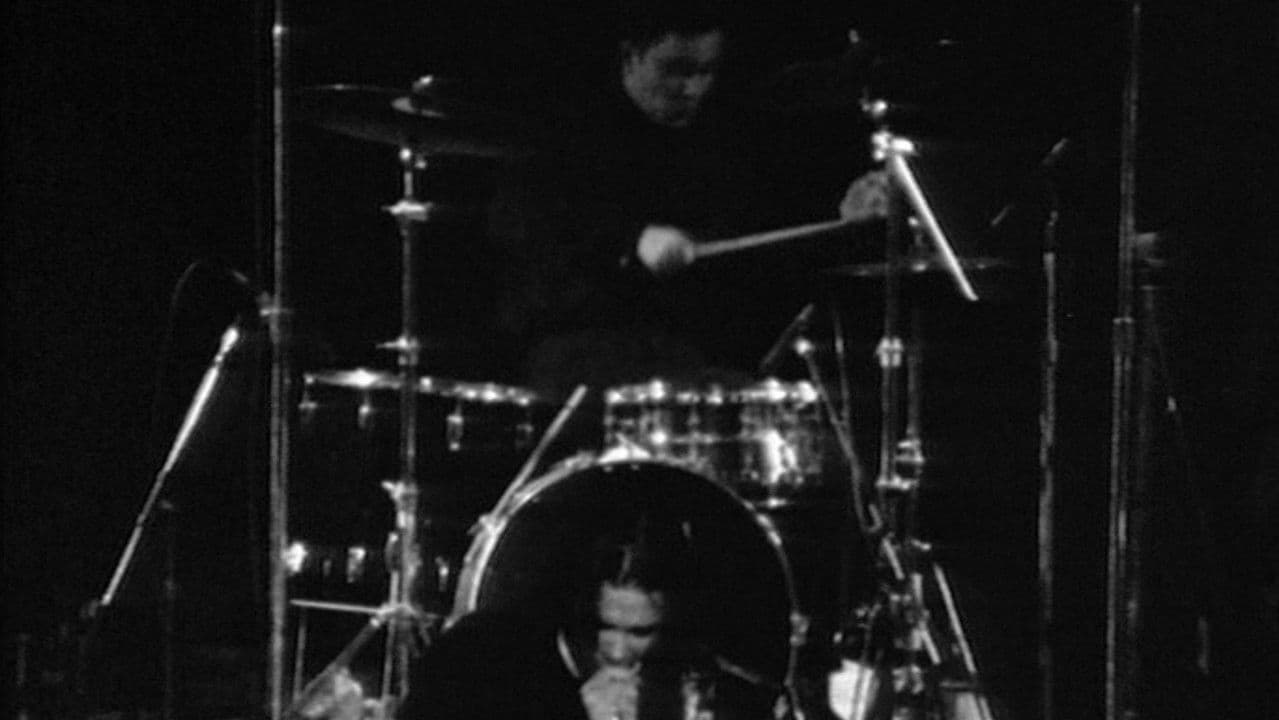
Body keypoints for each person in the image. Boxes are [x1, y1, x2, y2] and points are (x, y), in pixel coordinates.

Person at [490, 0, 888, 403]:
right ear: (631, 56)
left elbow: (770, 245)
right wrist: (632, 241)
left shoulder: (726, 139)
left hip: (695, 354)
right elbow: (523, 219)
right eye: (676, 70)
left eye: (707, 71)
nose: (695, 88)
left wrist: (843, 219)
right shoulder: (568, 131)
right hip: (585, 349)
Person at [397, 520, 775, 720]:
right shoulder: (480, 659)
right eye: (605, 627)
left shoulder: (692, 678)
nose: (617, 651)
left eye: (640, 632)